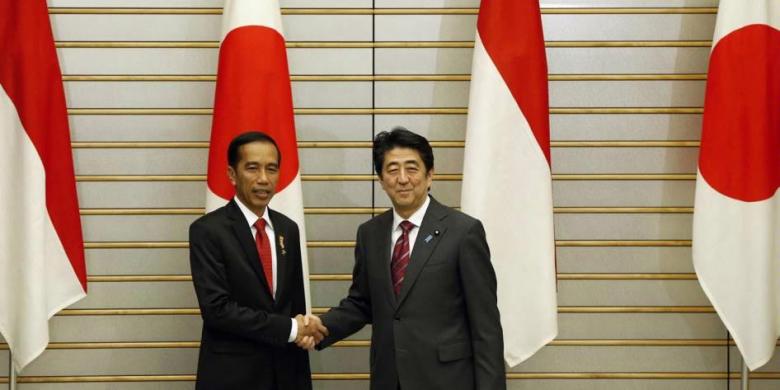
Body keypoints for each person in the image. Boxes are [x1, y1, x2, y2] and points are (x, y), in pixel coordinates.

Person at [316, 127, 506, 389]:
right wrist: (319, 326)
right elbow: (362, 303)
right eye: (392, 170)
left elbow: (486, 327)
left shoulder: (464, 232)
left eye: (412, 168)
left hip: (447, 380)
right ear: (381, 180)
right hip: (389, 379)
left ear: (430, 175)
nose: (402, 179)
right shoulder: (370, 234)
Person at [189, 131, 327, 390]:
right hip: (233, 376)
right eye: (252, 168)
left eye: (271, 169)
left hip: (287, 373)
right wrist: (290, 328)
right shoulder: (208, 230)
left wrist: (304, 332)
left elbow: (294, 306)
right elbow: (217, 310)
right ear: (232, 174)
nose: (263, 179)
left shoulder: (289, 228)